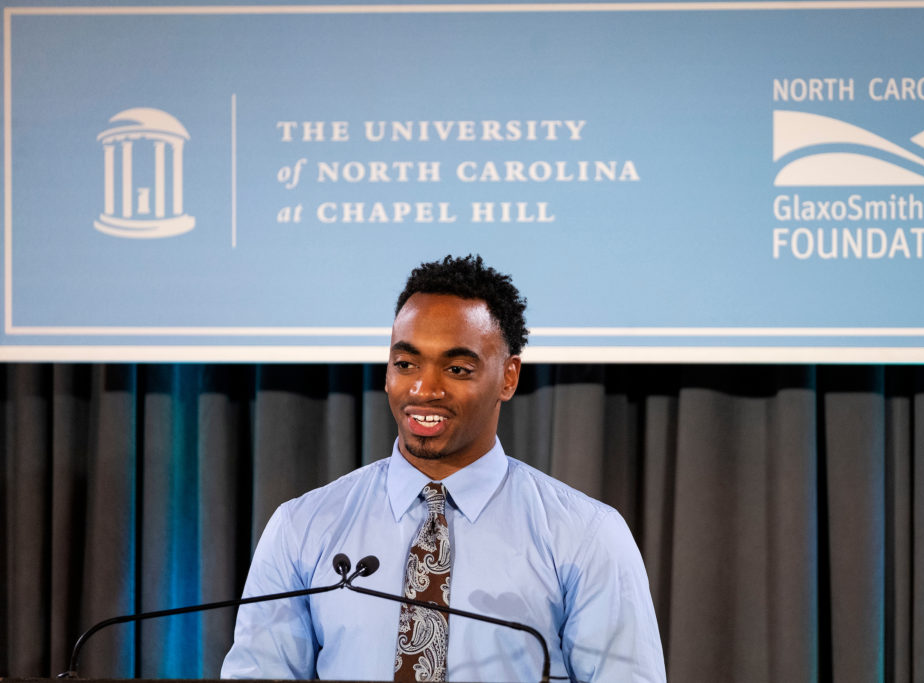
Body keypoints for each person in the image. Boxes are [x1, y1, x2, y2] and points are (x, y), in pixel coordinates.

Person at [221, 255, 665, 682]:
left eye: (456, 368)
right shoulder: (303, 527)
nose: (422, 388)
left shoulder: (586, 535)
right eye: (405, 364)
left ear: (508, 378)